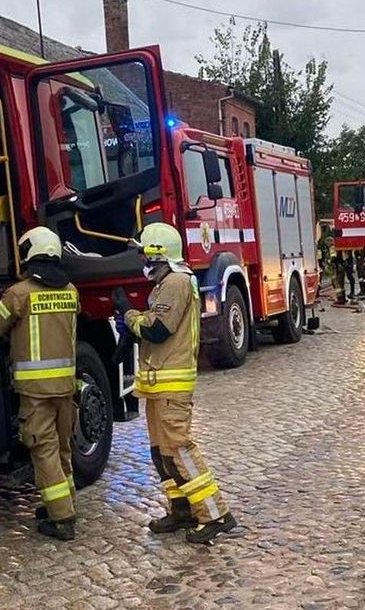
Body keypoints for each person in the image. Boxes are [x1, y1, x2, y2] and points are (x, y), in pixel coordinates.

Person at [113, 223, 236, 544]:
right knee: (161, 453)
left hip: (171, 383)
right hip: (158, 384)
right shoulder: (168, 283)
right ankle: (181, 509)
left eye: (147, 257)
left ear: (160, 255)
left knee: (178, 450)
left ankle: (215, 514)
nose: (144, 264)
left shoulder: (176, 282)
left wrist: (128, 316)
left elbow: (157, 329)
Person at [0, 226, 80, 541]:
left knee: (44, 450)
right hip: (65, 387)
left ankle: (62, 518)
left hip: (35, 391)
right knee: (63, 448)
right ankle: (66, 504)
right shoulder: (71, 291)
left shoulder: (18, 294)